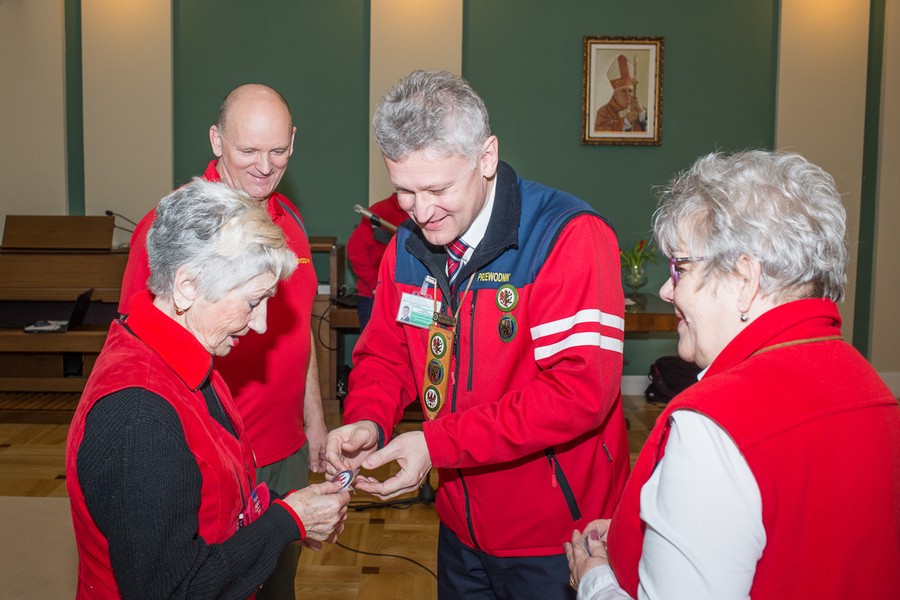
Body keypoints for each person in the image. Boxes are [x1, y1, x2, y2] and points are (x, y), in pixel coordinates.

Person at [325, 69, 629, 599]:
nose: (420, 212)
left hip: (560, 538)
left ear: (486, 158)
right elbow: (386, 354)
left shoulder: (568, 237)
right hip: (460, 526)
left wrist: (436, 444)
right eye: (403, 192)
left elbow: (579, 394)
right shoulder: (408, 247)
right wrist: (369, 421)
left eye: (438, 188)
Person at [566, 150, 900, 599]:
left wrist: (594, 580)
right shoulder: (872, 388)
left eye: (680, 267)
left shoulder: (715, 426)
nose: (667, 289)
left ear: (745, 278)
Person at [66, 179, 350, 599]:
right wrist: (286, 522)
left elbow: (214, 495)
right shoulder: (139, 418)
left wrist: (288, 505)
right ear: (187, 286)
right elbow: (175, 590)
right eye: (253, 301)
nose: (262, 325)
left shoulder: (182, 352)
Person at [117, 84, 324, 598]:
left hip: (286, 451)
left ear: (293, 142)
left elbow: (298, 328)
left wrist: (315, 420)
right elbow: (136, 350)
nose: (264, 165)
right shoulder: (170, 230)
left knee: (278, 585)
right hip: (215, 457)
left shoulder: (290, 222)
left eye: (278, 151)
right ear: (216, 140)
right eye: (248, 150)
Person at [346, 192, 407, 330]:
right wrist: (375, 285)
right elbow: (355, 249)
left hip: (405, 299)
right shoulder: (381, 211)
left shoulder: (420, 213)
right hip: (374, 299)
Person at [594, 55, 646, 133]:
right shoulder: (603, 112)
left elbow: (651, 131)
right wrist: (626, 121)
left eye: (630, 91)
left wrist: (642, 112)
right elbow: (600, 133)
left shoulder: (640, 110)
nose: (628, 95)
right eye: (623, 91)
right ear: (614, 93)